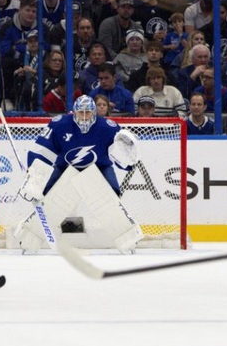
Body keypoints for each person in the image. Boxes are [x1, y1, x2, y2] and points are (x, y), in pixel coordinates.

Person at [14, 94, 142, 252]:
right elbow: (43, 151)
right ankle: (30, 238)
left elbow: (122, 159)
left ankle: (127, 240)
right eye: (80, 112)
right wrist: (34, 177)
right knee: (46, 192)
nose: (84, 116)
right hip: (64, 167)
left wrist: (129, 156)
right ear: (73, 112)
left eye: (87, 112)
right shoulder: (59, 125)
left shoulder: (108, 128)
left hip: (100, 166)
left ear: (94, 113)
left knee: (113, 195)